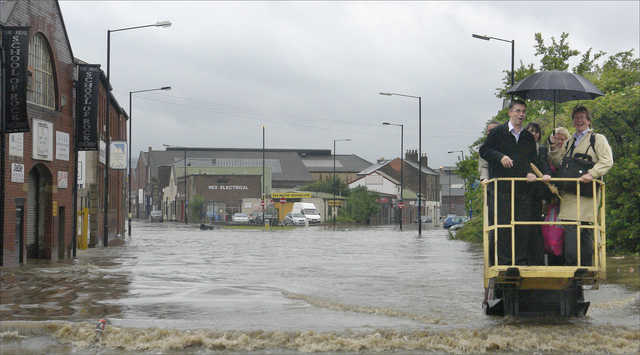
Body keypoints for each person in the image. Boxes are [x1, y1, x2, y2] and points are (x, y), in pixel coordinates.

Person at [480, 100, 551, 265]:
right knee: (504, 226)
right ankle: (505, 263)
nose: (521, 115)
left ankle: (520, 261)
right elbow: (484, 150)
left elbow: (533, 161)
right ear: (510, 113)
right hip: (503, 188)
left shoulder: (527, 137)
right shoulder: (497, 132)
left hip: (522, 189)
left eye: (523, 112)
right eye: (518, 111)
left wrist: (535, 174)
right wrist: (500, 157)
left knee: (522, 226)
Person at [549, 106, 613, 266]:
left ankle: (585, 268)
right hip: (570, 193)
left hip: (587, 193)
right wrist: (555, 148)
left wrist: (591, 173)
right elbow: (559, 163)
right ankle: (573, 268)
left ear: (588, 120)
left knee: (585, 230)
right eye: (576, 118)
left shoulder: (597, 139)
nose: (579, 121)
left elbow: (607, 161)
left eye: (582, 117)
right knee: (570, 230)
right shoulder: (569, 142)